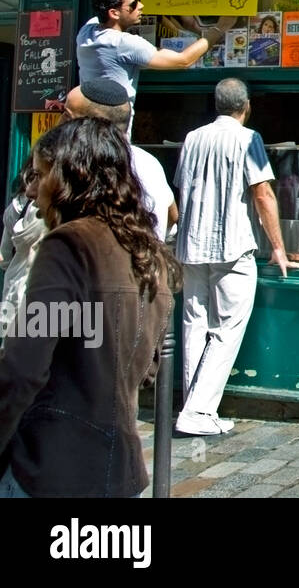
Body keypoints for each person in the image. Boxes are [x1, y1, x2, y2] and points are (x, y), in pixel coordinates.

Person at [0, 118, 176, 497]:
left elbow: (23, 367)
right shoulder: (151, 253)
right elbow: (148, 368)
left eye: (41, 175)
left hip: (51, 465)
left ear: (69, 178)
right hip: (120, 470)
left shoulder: (68, 246)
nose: (34, 192)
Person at [172, 78, 299, 436]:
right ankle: (198, 411)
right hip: (232, 245)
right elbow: (263, 193)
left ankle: (192, 405)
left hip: (192, 245)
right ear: (246, 107)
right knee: (227, 328)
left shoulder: (193, 137)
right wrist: (278, 247)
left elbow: (183, 188)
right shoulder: (249, 139)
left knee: (195, 324)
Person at [76, 0, 233, 136]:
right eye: (134, 4)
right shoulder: (123, 44)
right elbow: (183, 60)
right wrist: (219, 29)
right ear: (114, 13)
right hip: (113, 135)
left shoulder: (87, 30)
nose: (141, 6)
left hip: (87, 130)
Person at [63, 78, 176, 243]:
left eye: (66, 115)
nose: (60, 123)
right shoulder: (149, 162)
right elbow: (173, 214)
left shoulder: (83, 163)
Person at [0, 160, 45, 345]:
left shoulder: (15, 208)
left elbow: (4, 258)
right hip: (43, 303)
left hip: (12, 297)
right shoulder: (52, 213)